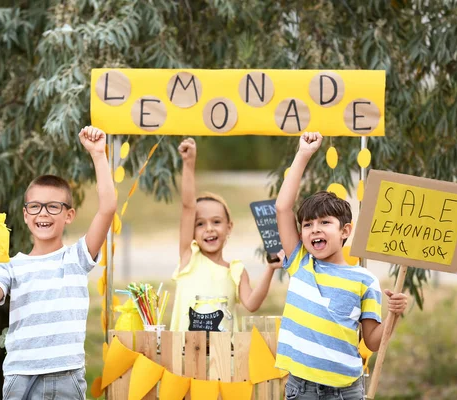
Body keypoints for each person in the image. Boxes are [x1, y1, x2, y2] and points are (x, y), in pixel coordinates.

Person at [0, 126, 116, 400]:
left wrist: (98, 154)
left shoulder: (76, 257)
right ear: (25, 216)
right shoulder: (11, 266)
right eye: (35, 206)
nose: (43, 213)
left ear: (69, 215)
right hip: (20, 378)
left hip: (67, 376)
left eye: (53, 206)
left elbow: (107, 208)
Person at [275, 132, 408, 399]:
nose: (315, 230)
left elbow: (372, 341)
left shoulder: (364, 280)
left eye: (325, 223)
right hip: (301, 390)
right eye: (308, 225)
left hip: (347, 392)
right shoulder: (300, 262)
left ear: (345, 230)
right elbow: (282, 207)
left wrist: (395, 314)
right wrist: (303, 154)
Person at [170, 137, 284, 332]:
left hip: (223, 358)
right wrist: (189, 164)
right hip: (184, 355)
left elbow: (252, 303)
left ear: (229, 227)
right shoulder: (189, 257)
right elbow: (189, 206)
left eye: (216, 221)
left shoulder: (236, 271)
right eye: (200, 223)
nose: (209, 228)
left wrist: (271, 269)